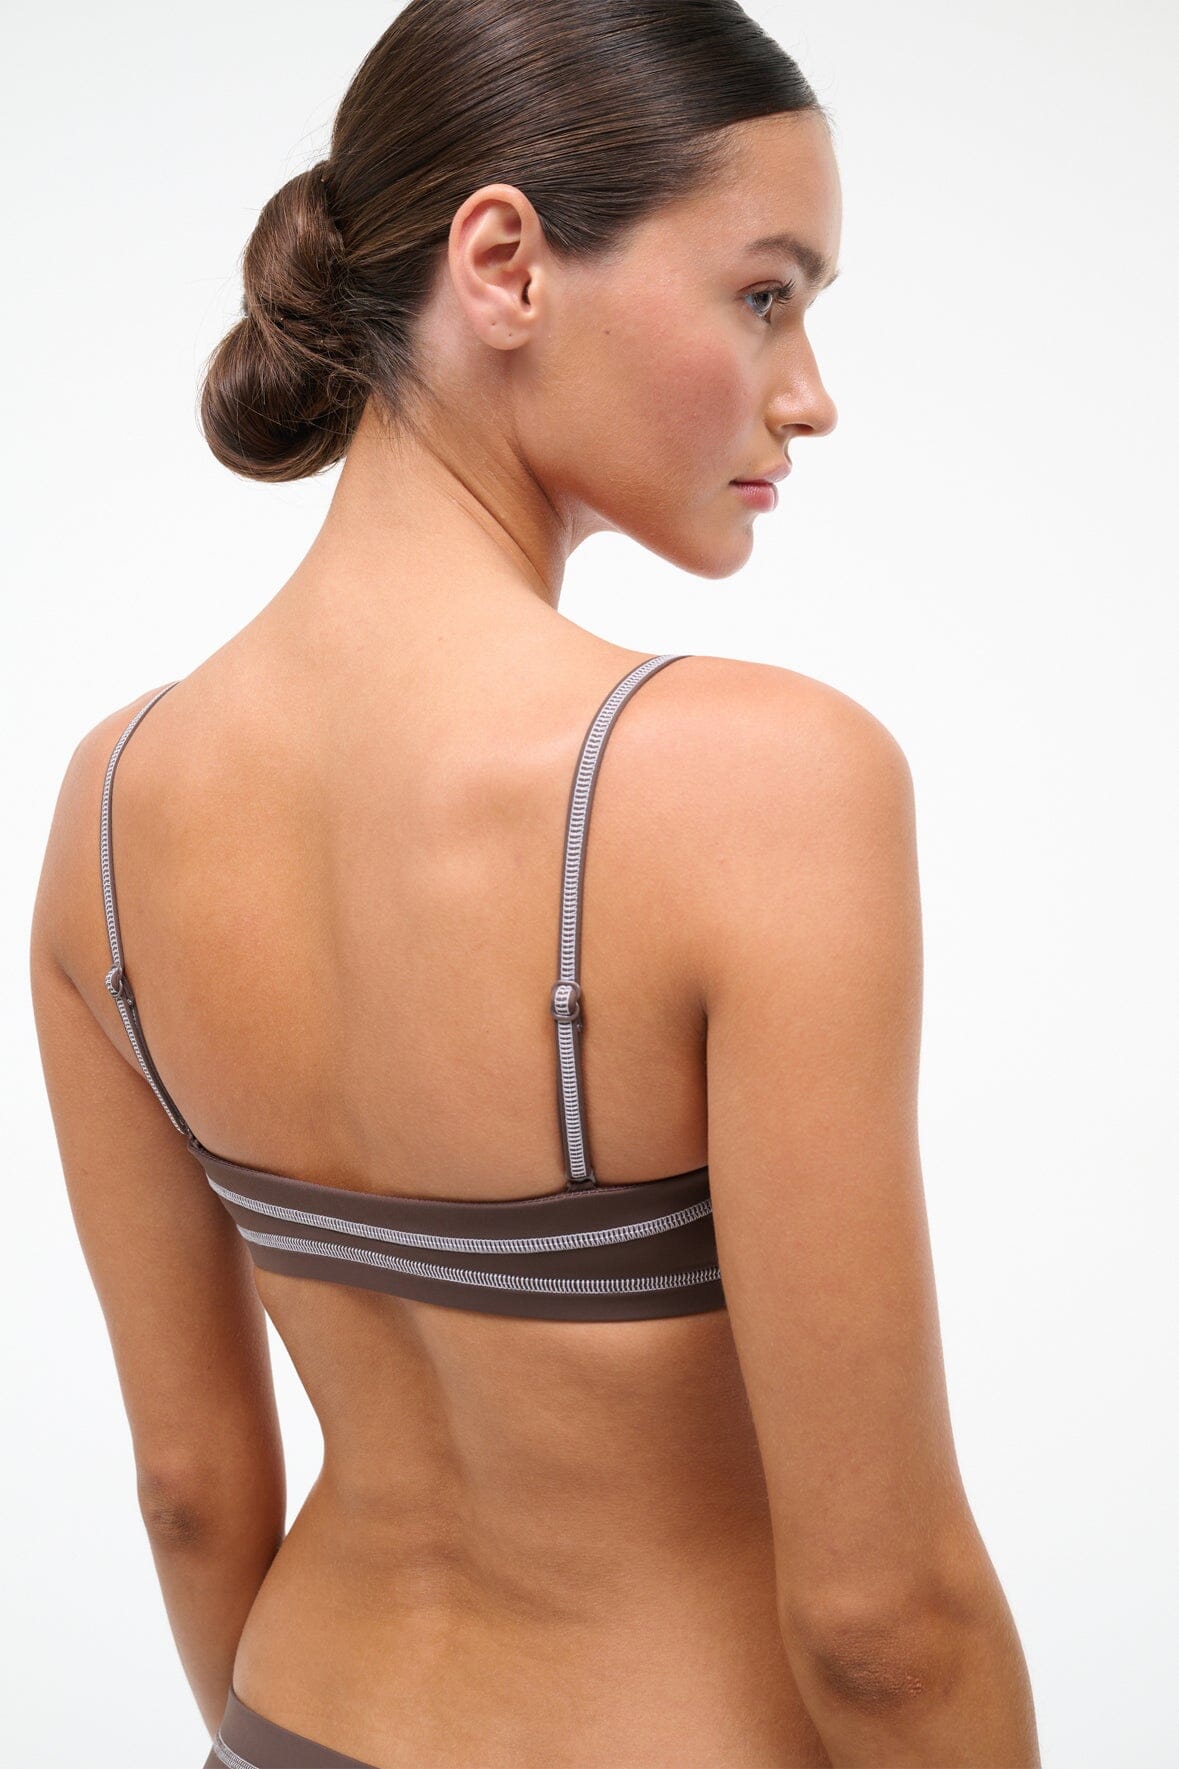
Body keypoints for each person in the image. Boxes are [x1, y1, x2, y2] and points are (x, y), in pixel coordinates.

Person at [29, 1, 1040, 1764]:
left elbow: (191, 1489)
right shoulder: (762, 781)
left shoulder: (108, 808)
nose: (808, 392)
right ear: (504, 264)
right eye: (765, 294)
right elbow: (882, 1624)